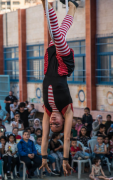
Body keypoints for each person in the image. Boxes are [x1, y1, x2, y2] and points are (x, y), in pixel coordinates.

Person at [40, 2, 78, 175]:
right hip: (63, 65)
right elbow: (68, 137)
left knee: (59, 32)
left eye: (52, 125)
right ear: (62, 121)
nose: (53, 122)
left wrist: (43, 158)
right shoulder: (67, 110)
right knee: (56, 35)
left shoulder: (47, 111)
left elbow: (45, 138)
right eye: (57, 125)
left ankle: (72, 7)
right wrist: (65, 160)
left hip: (50, 65)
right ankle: (46, 3)